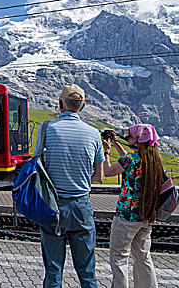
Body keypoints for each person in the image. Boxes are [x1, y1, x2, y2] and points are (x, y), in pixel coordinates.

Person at [35, 84, 104, 288]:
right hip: (81, 207)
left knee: (53, 271)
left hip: (53, 207)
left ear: (60, 104)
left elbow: (39, 165)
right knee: (87, 273)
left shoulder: (46, 128)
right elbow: (99, 176)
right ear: (82, 106)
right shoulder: (94, 133)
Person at [102, 124, 162, 288]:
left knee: (119, 257)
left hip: (126, 217)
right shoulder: (154, 159)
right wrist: (116, 144)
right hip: (146, 216)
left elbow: (107, 172)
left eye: (129, 136)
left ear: (136, 140)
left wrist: (107, 151)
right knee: (143, 257)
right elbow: (128, 161)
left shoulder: (130, 160)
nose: (127, 138)